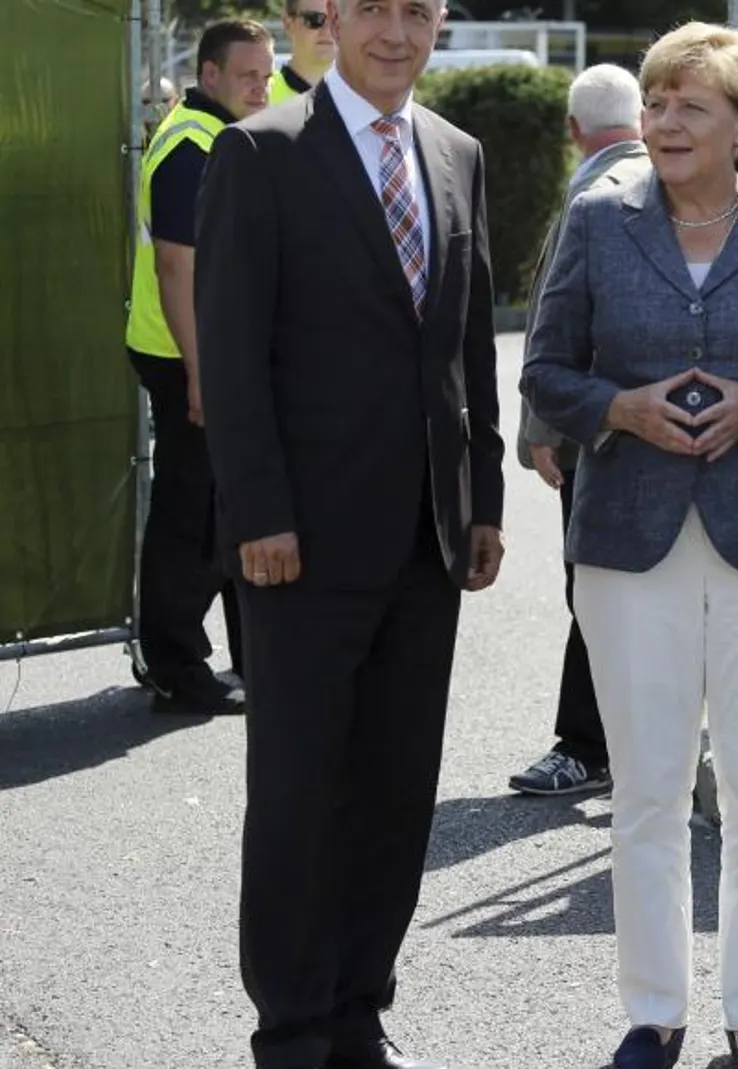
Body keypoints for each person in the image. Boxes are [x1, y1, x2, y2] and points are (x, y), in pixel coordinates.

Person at [520, 21, 738, 1069]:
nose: (666, 122)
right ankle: (653, 1015)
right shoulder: (596, 220)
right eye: (658, 103)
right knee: (646, 790)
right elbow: (544, 371)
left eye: (691, 106)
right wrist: (617, 409)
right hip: (629, 543)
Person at [194, 0, 506, 1064]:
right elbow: (231, 358)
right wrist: (260, 516)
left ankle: (359, 1008)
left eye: (418, 11)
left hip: (428, 537)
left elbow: (468, 342)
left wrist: (486, 502)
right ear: (332, 18)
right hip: (302, 546)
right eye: (374, 7)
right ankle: (290, 1026)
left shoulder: (457, 151)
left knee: (394, 788)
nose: (396, 31)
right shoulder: (258, 152)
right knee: (296, 788)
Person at [507, 62, 651, 797]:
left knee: (591, 590)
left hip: (597, 431)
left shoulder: (587, 199)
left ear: (572, 130)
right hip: (678, 430)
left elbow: (550, 326)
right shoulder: (681, 181)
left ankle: (586, 747)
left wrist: (539, 428)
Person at [124, 17, 273, 715]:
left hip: (201, 350)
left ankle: (214, 657)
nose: (261, 86)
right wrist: (200, 372)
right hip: (183, 352)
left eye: (266, 73)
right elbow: (175, 267)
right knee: (190, 517)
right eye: (247, 75)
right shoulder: (191, 145)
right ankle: (177, 667)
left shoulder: (213, 133)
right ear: (209, 74)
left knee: (214, 507)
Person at [269, 0, 336, 103]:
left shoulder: (364, 97)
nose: (327, 30)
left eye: (336, 19)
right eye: (314, 19)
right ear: (288, 24)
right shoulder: (261, 96)